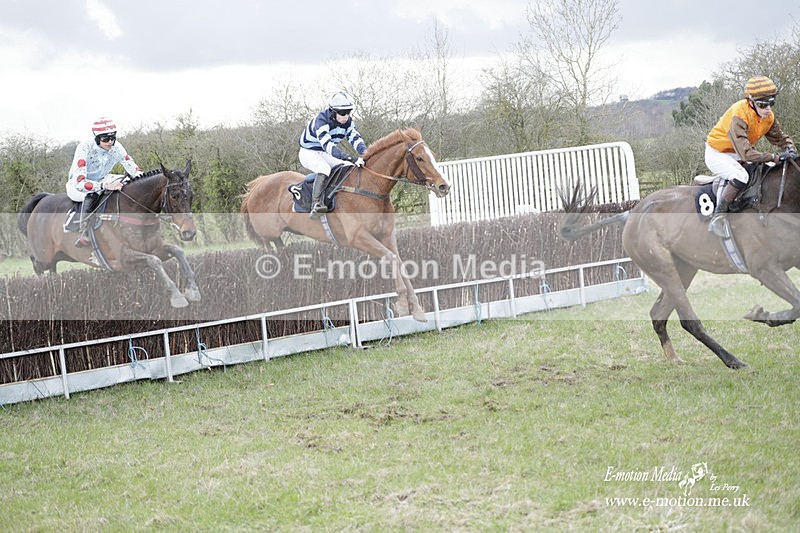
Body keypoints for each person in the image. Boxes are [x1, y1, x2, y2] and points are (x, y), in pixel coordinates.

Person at [705, 75, 796, 237]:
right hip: (718, 153)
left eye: (771, 102)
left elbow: (780, 138)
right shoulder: (739, 114)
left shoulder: (768, 117)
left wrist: (790, 149)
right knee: (740, 176)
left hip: (737, 152)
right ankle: (718, 216)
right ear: (751, 102)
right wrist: (775, 157)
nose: (768, 108)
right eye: (763, 104)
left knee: (768, 170)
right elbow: (746, 153)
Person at [66, 117, 142, 247]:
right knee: (93, 194)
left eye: (113, 138)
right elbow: (80, 182)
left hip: (103, 178)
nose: (110, 142)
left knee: (129, 183)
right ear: (97, 138)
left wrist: (146, 179)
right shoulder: (84, 148)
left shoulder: (117, 147)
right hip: (78, 184)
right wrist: (105, 185)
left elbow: (133, 168)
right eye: (105, 139)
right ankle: (83, 232)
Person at [298, 91, 368, 219]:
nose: (346, 116)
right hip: (308, 152)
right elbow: (329, 147)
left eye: (348, 112)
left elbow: (355, 138)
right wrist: (353, 158)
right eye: (342, 113)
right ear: (333, 111)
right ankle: (316, 204)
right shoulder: (321, 120)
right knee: (324, 168)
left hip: (323, 152)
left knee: (347, 166)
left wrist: (366, 153)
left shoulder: (347, 122)